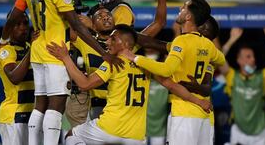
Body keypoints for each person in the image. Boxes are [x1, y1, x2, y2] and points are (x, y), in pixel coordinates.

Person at [0, 0, 122, 145]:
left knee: (40, 105)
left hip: (37, 50)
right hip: (56, 53)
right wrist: (103, 52)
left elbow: (14, 15)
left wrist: (3, 40)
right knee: (56, 106)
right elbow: (78, 26)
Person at [47, 24, 212, 145]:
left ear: (126, 45)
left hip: (108, 129)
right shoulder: (145, 64)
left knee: (71, 136)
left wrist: (66, 58)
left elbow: (84, 84)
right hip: (136, 137)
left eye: (113, 38)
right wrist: (199, 101)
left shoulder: (114, 62)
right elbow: (173, 86)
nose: (108, 42)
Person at [70, 0, 168, 121]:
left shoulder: (123, 31)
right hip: (98, 104)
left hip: (119, 103)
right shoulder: (87, 41)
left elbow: (157, 24)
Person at [122, 0, 226, 145]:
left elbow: (166, 70)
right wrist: (207, 66)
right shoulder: (207, 46)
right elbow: (221, 59)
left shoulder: (181, 41)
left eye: (184, 7)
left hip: (184, 111)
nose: (179, 9)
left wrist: (135, 58)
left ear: (189, 16)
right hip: (203, 114)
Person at [219, 27, 265, 145]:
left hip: (259, 134)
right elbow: (218, 59)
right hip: (238, 132)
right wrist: (231, 40)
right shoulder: (232, 76)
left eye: (253, 56)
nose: (253, 59)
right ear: (239, 60)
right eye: (248, 57)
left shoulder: (262, 76)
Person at [0, 12, 38, 145]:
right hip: (14, 115)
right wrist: (32, 50)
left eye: (25, 23)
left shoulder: (31, 47)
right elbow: (14, 77)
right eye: (17, 24)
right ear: (9, 28)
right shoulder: (6, 51)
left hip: (34, 114)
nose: (23, 28)